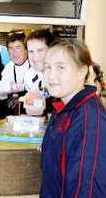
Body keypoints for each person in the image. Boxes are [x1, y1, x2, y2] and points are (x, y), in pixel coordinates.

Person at [41, 39, 106, 197]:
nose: (51, 75)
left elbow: (87, 188)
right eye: (47, 67)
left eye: (61, 67)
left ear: (82, 72)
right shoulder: (64, 108)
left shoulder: (89, 119)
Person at [0, 30, 30, 115]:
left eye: (18, 47)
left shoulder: (35, 64)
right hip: (13, 114)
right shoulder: (9, 67)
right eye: (11, 48)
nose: (14, 52)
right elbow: (0, 95)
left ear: (26, 49)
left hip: (34, 112)